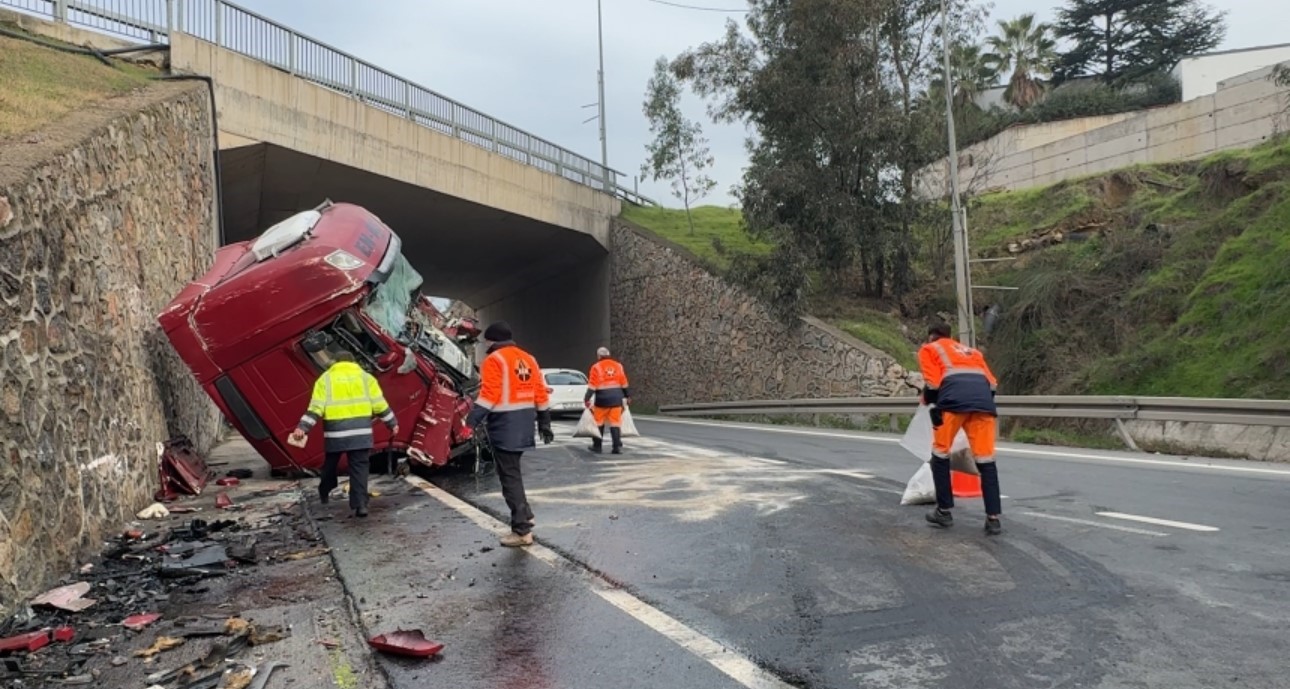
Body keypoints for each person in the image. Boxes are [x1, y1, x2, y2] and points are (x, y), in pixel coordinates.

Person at [466, 321, 554, 547]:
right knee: (513, 472)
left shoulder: (494, 360)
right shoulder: (528, 358)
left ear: (491, 340)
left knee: (509, 477)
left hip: (505, 425)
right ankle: (527, 516)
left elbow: (490, 394)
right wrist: (545, 423)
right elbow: (540, 393)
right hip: (525, 423)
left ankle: (522, 531)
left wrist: (472, 420)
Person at [918, 321, 1003, 535]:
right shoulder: (972, 352)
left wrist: (929, 401)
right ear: (950, 336)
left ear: (931, 337)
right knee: (986, 461)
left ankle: (944, 512)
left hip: (952, 403)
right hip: (983, 405)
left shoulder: (929, 349)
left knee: (940, 454)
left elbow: (933, 385)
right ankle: (993, 519)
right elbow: (992, 384)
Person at [290, 350, 398, 518]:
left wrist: (302, 428)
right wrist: (392, 423)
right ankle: (360, 504)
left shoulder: (325, 379)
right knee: (359, 468)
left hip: (335, 433)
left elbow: (315, 408)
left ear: (335, 362)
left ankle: (325, 490)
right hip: (361, 433)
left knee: (330, 465)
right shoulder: (366, 378)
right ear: (353, 362)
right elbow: (380, 405)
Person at [584, 346, 632, 454]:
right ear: (608, 355)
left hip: (602, 400)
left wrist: (586, 398)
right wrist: (628, 396)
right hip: (616, 399)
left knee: (598, 422)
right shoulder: (618, 366)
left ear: (599, 356)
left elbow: (592, 385)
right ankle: (616, 447)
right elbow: (624, 383)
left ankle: (597, 446)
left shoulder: (596, 367)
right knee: (615, 423)